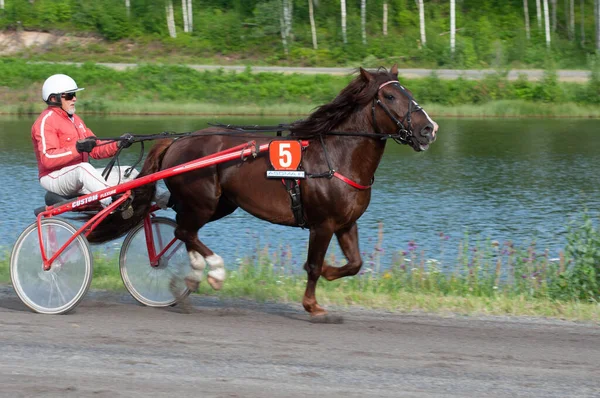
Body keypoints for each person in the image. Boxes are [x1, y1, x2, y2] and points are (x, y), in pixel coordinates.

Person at [31, 73, 169, 209]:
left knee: (129, 172)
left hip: (81, 177)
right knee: (83, 168)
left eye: (74, 94)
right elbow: (47, 158)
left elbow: (96, 149)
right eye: (69, 95)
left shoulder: (76, 120)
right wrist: (77, 149)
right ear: (54, 98)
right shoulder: (46, 121)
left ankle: (170, 200)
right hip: (54, 178)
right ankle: (113, 203)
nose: (74, 99)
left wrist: (118, 144)